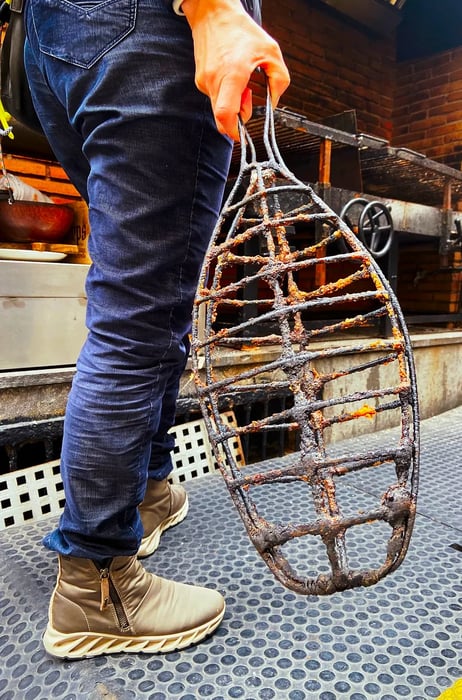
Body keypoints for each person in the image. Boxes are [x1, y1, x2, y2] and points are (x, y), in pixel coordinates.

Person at [24, 0, 289, 659]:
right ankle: (97, 583)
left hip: (59, 35)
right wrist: (213, 8)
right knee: (140, 318)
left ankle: (146, 489)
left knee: (151, 294)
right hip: (145, 32)